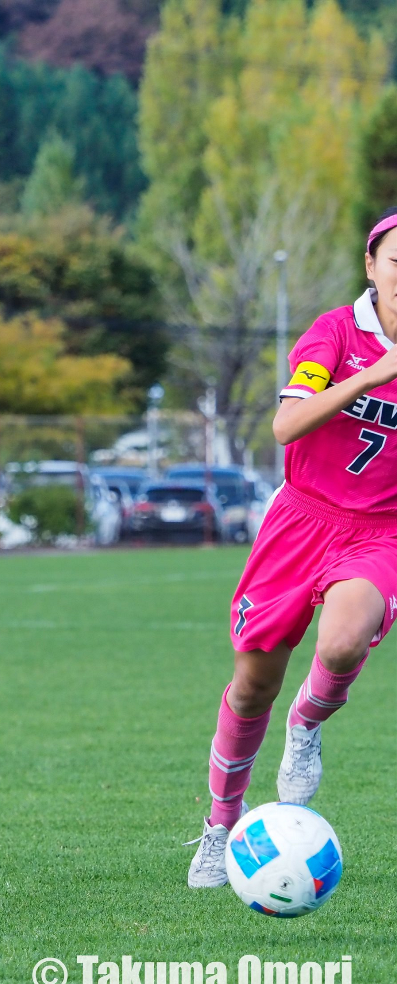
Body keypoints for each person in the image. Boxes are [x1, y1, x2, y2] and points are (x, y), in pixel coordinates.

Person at [187, 207, 397, 888]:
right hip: (300, 522)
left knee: (341, 643)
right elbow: (286, 425)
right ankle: (222, 825)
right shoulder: (336, 333)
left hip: (383, 531)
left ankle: (306, 726)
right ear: (372, 266)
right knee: (252, 686)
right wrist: (374, 375)